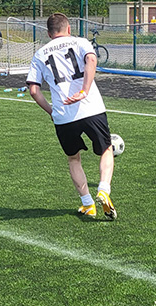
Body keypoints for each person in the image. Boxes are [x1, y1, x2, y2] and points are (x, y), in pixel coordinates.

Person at [26, 13, 118, 220]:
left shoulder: (39, 54)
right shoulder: (80, 42)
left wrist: (52, 112)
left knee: (73, 158)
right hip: (91, 108)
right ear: (68, 29)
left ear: (49, 33)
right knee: (106, 149)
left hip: (63, 115)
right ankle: (103, 189)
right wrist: (84, 90)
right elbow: (91, 59)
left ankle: (88, 204)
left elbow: (33, 91)